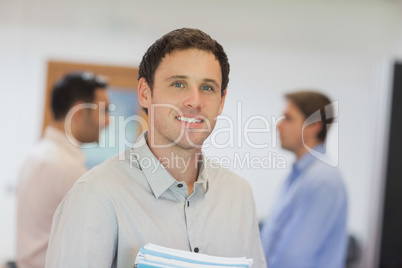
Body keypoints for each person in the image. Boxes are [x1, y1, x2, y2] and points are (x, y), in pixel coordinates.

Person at [45, 28, 267, 268]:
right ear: (145, 93)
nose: (195, 101)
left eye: (207, 87)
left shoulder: (239, 195)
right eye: (179, 84)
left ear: (221, 101)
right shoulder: (95, 196)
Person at [16, 71, 110, 268]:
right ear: (78, 113)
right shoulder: (66, 168)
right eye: (104, 111)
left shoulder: (40, 153)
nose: (108, 121)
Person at [260, 90, 348, 268]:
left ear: (314, 125)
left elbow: (294, 258)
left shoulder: (322, 180)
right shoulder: (300, 175)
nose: (278, 125)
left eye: (288, 118)